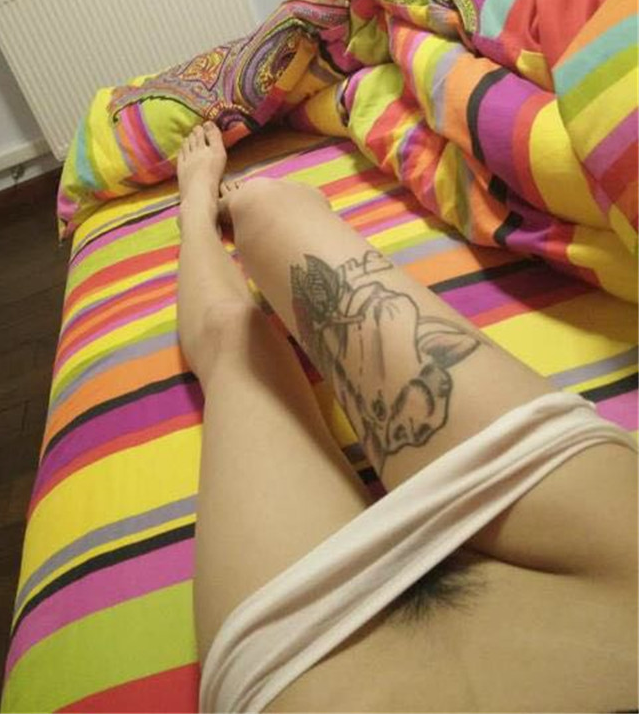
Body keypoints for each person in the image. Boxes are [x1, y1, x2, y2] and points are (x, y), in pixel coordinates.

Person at [176, 122, 638, 713]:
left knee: (233, 343)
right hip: (615, 579)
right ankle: (244, 207)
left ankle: (195, 210)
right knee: (269, 208)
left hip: (314, 679)